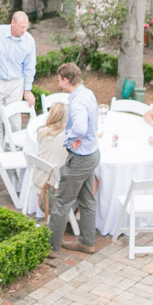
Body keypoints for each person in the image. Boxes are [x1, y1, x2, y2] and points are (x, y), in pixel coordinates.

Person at [48, 64, 100, 256]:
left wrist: (70, 138)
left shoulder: (77, 102)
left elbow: (79, 127)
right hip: (91, 154)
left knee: (62, 201)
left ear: (66, 80)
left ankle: (51, 247)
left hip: (80, 159)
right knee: (87, 200)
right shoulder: (87, 93)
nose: (58, 82)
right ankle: (87, 242)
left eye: (59, 79)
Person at [0, 12, 38, 147]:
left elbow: (29, 67)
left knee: (14, 121)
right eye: (21, 27)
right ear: (12, 23)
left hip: (16, 83)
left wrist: (27, 89)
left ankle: (14, 151)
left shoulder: (29, 41)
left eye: (26, 27)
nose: (24, 30)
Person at [27, 103, 70, 213]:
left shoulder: (41, 132)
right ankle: (78, 212)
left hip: (37, 177)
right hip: (54, 183)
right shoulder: (68, 138)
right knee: (92, 178)